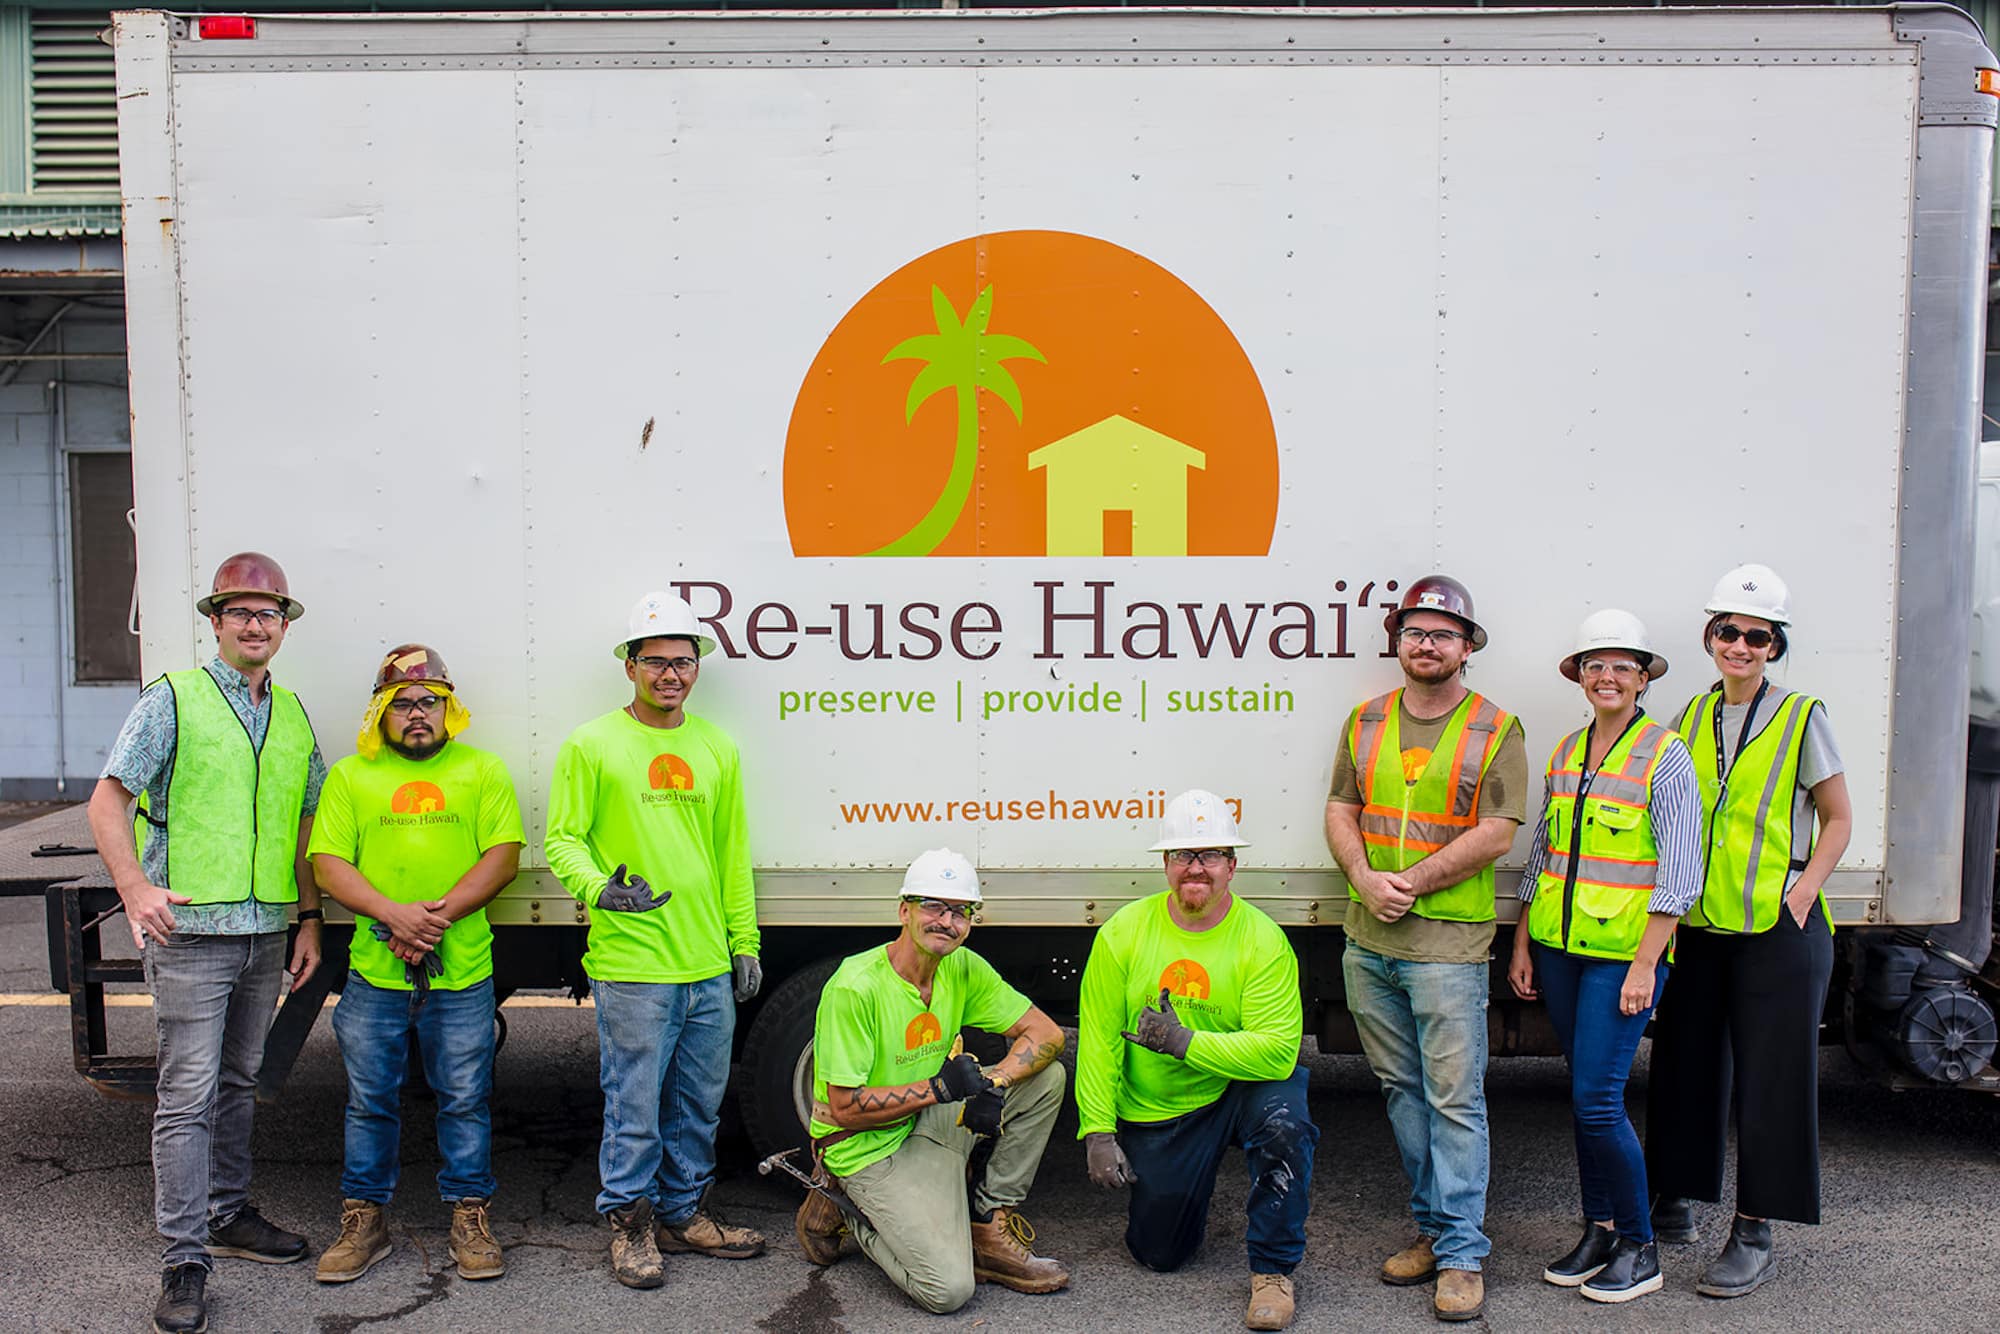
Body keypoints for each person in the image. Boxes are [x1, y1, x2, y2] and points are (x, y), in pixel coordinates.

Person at [84, 552, 325, 1334]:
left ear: (284, 625)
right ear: (216, 622)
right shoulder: (174, 700)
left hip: (265, 933)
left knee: (239, 1080)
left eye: (270, 613)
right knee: (186, 1096)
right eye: (241, 612)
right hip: (190, 934)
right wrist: (134, 888)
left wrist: (309, 918)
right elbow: (109, 798)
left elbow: (301, 824)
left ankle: (228, 1213)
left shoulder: (290, 711)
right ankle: (184, 1259)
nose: (257, 625)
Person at [545, 591, 765, 1289]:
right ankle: (630, 1224)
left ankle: (683, 1212)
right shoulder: (592, 744)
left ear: (696, 669)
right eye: (657, 662)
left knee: (698, 1104)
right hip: (634, 963)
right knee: (634, 1106)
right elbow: (562, 839)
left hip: (705, 964)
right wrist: (598, 889)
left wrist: (744, 939)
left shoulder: (716, 747)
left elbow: (731, 855)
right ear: (631, 666)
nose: (671, 675)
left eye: (684, 662)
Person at [1644, 564, 1852, 1298]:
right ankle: (1673, 1198)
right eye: (1728, 631)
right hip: (1701, 924)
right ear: (1711, 637)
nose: (1740, 644)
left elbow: (1838, 818)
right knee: (1684, 1063)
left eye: (1757, 636)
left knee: (1772, 1083)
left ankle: (1755, 1227)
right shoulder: (1691, 717)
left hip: (1777, 928)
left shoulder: (1802, 716)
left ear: (1774, 645)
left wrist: (1805, 892)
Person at [1324, 575, 1525, 1322]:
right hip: (1368, 941)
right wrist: (1362, 878)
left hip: (1446, 947)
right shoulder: (1366, 719)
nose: (1428, 643)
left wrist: (1403, 881)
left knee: (1454, 1100)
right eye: (1415, 632)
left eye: (1444, 633)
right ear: (1398, 642)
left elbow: (1499, 832)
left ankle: (1464, 1255)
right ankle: (1437, 1231)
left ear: (1467, 647)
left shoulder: (1496, 728)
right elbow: (1342, 806)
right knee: (1404, 1095)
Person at [308, 644, 524, 1285]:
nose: (417, 713)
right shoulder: (351, 776)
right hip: (376, 971)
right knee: (370, 1103)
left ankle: (469, 1217)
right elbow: (328, 865)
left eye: (430, 701)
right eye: (401, 703)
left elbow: (502, 858)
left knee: (465, 1099)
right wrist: (395, 916)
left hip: (461, 972)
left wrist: (429, 921)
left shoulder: (483, 771)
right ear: (380, 713)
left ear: (449, 708)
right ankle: (364, 1221)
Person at [1507, 610, 1702, 1305]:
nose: (1608, 676)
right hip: (1560, 952)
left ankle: (1641, 1247)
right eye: (1596, 664)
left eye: (1624, 665)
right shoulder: (1566, 751)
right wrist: (1525, 938)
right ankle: (1600, 1228)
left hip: (1625, 957)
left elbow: (1681, 873)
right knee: (1583, 1095)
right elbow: (1544, 853)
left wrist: (1649, 965)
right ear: (1580, 677)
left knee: (1597, 1100)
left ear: (1644, 677)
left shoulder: (1666, 754)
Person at [1077, 790, 1317, 1332]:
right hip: (1161, 1105)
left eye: (1210, 856)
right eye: (1183, 855)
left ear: (1232, 866)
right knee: (1159, 1254)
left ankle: (1273, 1271)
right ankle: (1187, 1190)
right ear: (1165, 865)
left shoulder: (1262, 940)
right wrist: (1096, 1130)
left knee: (1285, 1118)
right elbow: (1097, 1041)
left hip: (1237, 1087)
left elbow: (1279, 1051)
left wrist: (1185, 1043)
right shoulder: (1123, 933)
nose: (1196, 868)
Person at [795, 849, 1070, 1311]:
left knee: (1048, 1078)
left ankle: (987, 1221)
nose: (948, 921)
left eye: (961, 911)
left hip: (927, 1117)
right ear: (905, 911)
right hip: (865, 1145)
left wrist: (997, 1083)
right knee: (947, 1291)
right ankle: (846, 1207)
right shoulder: (855, 987)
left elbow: (1046, 1034)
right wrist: (940, 1089)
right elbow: (843, 1108)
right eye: (934, 907)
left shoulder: (962, 968)